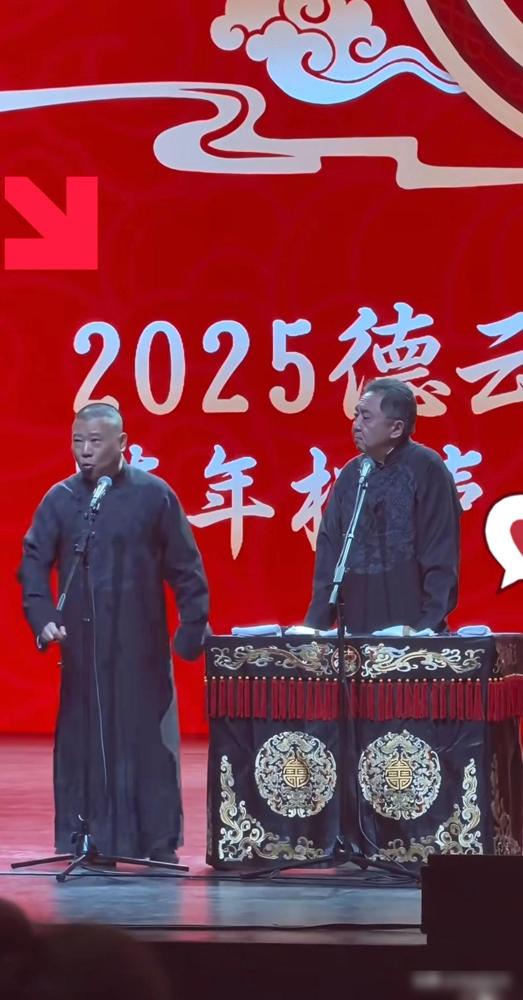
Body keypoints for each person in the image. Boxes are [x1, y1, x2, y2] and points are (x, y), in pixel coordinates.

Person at [19, 403, 209, 863]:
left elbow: (186, 568)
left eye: (95, 442)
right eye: (78, 441)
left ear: (122, 443)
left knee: (146, 741)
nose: (84, 451)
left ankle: (156, 842)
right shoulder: (61, 498)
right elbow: (33, 562)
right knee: (84, 739)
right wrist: (42, 615)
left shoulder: (154, 495)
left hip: (140, 644)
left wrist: (191, 626)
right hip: (83, 648)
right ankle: (89, 839)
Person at [305, 378, 461, 634]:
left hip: (411, 633)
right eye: (356, 416)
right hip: (355, 635)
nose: (357, 425)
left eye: (366, 417)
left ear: (396, 428)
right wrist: (315, 631)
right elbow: (330, 553)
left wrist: (425, 630)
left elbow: (440, 554)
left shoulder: (427, 468)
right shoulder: (352, 474)